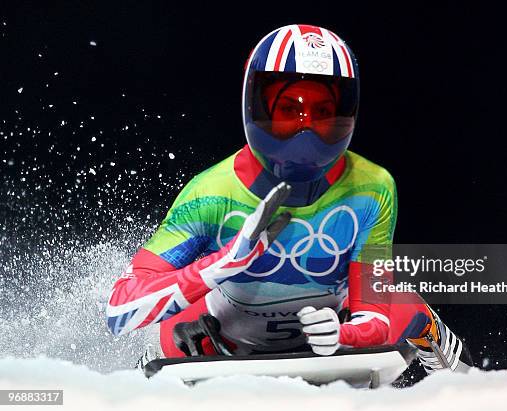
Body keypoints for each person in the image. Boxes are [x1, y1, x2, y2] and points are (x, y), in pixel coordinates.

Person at [106, 24, 472, 374]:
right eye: (289, 111)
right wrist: (226, 262)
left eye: (323, 114)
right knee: (170, 330)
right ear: (256, 107)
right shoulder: (210, 194)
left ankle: (466, 377)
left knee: (404, 304)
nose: (306, 132)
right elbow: (119, 309)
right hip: (222, 340)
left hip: (333, 334)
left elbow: (373, 313)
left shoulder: (373, 189)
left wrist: (341, 335)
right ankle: (146, 374)